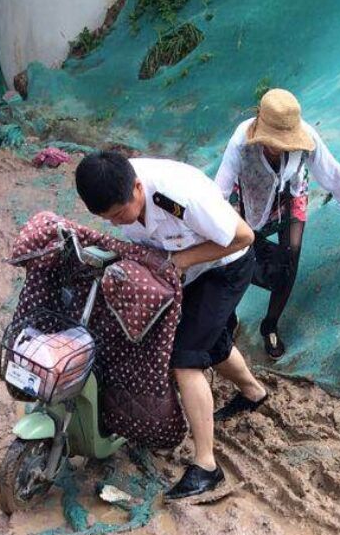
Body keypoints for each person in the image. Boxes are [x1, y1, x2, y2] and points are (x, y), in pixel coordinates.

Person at [75, 149, 266, 501]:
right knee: (210, 341)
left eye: (120, 215)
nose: (117, 224)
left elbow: (243, 237)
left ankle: (207, 466)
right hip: (185, 271)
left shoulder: (179, 196)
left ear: (137, 188)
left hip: (225, 268)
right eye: (109, 219)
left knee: (184, 358)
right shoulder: (116, 192)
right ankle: (254, 393)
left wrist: (178, 261)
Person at [214, 88, 340, 358]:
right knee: (237, 256)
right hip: (251, 198)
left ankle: (269, 326)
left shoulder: (307, 137)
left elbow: (330, 171)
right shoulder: (242, 140)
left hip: (291, 195)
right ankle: (229, 314)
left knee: (290, 257)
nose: (282, 145)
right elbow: (221, 189)